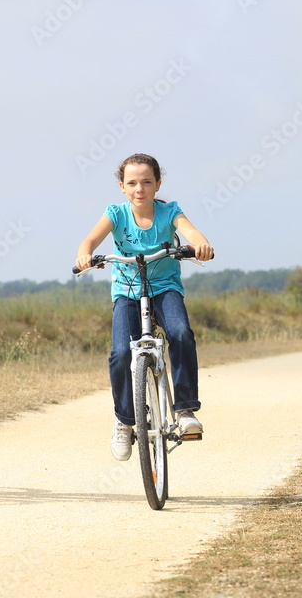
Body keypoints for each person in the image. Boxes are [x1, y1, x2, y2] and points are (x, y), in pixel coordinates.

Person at [75, 153, 214, 461]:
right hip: (126, 291)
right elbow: (89, 242)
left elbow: (192, 233)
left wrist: (201, 244)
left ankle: (186, 409)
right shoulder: (116, 213)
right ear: (122, 187)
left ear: (157, 184)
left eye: (147, 182)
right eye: (133, 183)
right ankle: (125, 421)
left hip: (164, 289)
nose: (140, 188)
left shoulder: (170, 212)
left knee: (180, 333)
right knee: (122, 353)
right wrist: (85, 256)